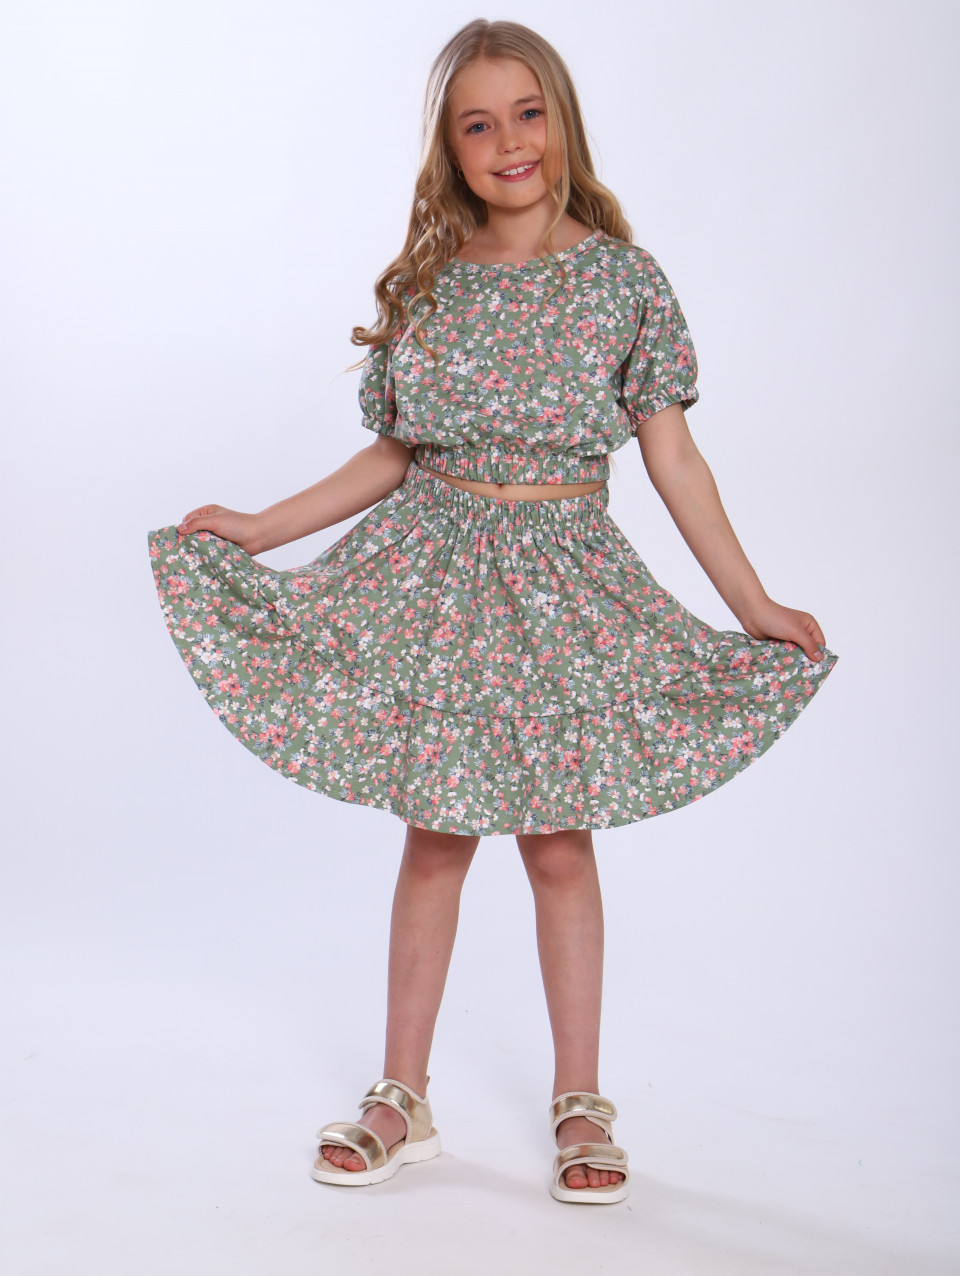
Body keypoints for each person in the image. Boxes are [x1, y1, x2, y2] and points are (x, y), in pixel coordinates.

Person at [146, 19, 838, 1205]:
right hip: (434, 576)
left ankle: (583, 1099)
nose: (509, 141)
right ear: (451, 150)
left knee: (559, 844)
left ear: (561, 119)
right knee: (435, 833)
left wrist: (751, 599)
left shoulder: (623, 281)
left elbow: (673, 457)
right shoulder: (433, 279)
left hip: (563, 587)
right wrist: (262, 528)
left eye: (527, 113)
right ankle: (401, 1095)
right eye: (478, 124)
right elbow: (394, 452)